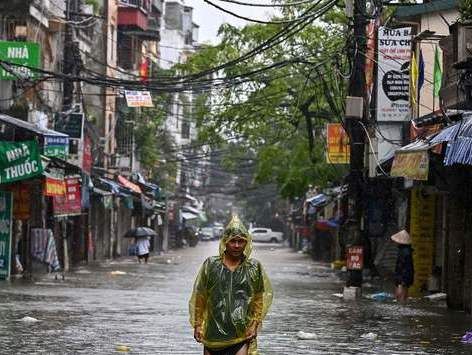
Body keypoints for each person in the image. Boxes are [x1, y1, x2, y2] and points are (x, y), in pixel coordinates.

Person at [189, 215, 273, 355]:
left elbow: (259, 299)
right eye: (233, 241)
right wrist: (198, 325)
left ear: (246, 243)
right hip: (212, 335)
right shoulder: (211, 265)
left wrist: (254, 324)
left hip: (241, 334)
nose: (236, 245)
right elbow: (200, 296)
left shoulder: (253, 267)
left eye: (241, 241)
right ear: (225, 242)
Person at [391, 230, 414, 303]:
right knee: (403, 295)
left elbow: (403, 267)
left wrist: (401, 281)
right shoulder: (406, 251)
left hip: (403, 277)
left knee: (401, 296)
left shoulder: (404, 252)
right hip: (405, 277)